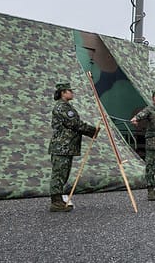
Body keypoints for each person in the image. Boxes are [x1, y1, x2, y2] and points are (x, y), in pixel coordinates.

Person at [48, 82, 100, 212]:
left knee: (63, 173)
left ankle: (59, 199)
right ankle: (56, 202)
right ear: (63, 93)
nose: (72, 92)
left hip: (66, 146)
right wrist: (93, 131)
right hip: (62, 146)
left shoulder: (66, 106)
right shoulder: (62, 107)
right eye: (69, 91)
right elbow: (75, 124)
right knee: (59, 174)